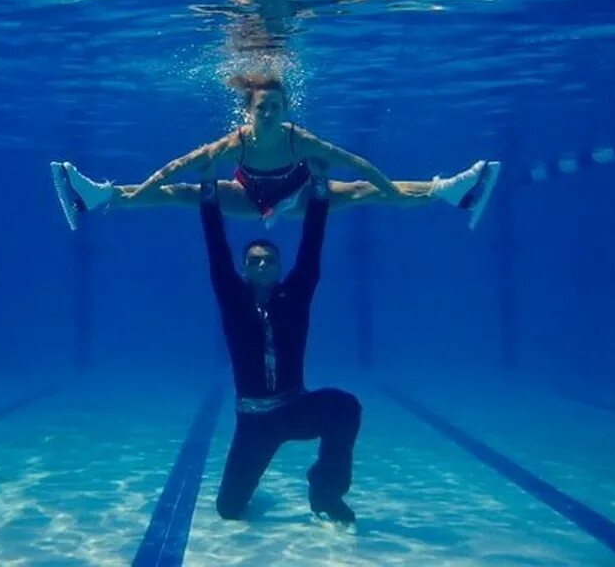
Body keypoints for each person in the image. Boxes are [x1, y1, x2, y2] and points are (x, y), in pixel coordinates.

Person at [50, 74, 501, 230]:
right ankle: (99, 197)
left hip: (300, 198)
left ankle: (450, 192)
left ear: (285, 109)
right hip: (249, 199)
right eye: (261, 108)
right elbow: (177, 166)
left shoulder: (297, 138)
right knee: (186, 192)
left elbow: (358, 164)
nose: (268, 114)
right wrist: (139, 190)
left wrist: (396, 193)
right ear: (247, 112)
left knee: (365, 189)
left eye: (276, 107)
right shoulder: (235, 141)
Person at [200, 158, 360, 523]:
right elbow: (216, 248)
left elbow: (312, 246)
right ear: (243, 269)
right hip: (254, 421)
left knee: (345, 406)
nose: (261, 266)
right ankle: (248, 489)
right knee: (229, 510)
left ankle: (325, 491)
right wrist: (208, 186)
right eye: (254, 262)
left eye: (268, 261)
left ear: (279, 267)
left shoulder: (296, 295)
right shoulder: (232, 297)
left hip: (293, 408)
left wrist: (320, 184)